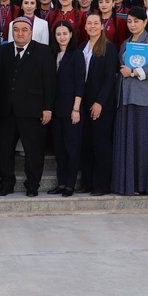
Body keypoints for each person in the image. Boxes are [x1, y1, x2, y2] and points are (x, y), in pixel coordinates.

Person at [0, 18, 55, 197]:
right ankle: (6, 185)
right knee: (5, 151)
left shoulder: (43, 52)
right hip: (6, 111)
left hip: (33, 111)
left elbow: (50, 83)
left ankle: (32, 186)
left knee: (34, 152)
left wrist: (47, 108)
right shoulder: (3, 51)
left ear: (31, 32)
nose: (20, 33)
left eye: (24, 30)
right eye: (16, 30)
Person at [112, 11, 148, 195]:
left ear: (144, 22)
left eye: (136, 21)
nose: (132, 24)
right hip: (125, 97)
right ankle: (128, 184)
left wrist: (133, 72)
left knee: (143, 142)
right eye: (130, 21)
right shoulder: (125, 43)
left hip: (144, 98)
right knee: (128, 142)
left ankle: (144, 185)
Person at [78, 13, 117, 195]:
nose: (92, 26)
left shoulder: (109, 48)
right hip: (84, 102)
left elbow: (110, 78)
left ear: (102, 26)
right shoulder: (81, 47)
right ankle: (88, 182)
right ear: (85, 27)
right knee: (86, 144)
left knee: (101, 144)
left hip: (101, 104)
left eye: (96, 23)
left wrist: (99, 102)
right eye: (89, 23)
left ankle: (102, 185)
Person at [49, 21, 85, 197]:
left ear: (71, 34)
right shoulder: (52, 54)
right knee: (59, 149)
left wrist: (76, 109)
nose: (62, 36)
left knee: (71, 148)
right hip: (56, 110)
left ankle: (70, 184)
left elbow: (80, 83)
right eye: (58, 34)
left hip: (72, 109)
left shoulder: (76, 55)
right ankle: (61, 183)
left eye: (65, 33)